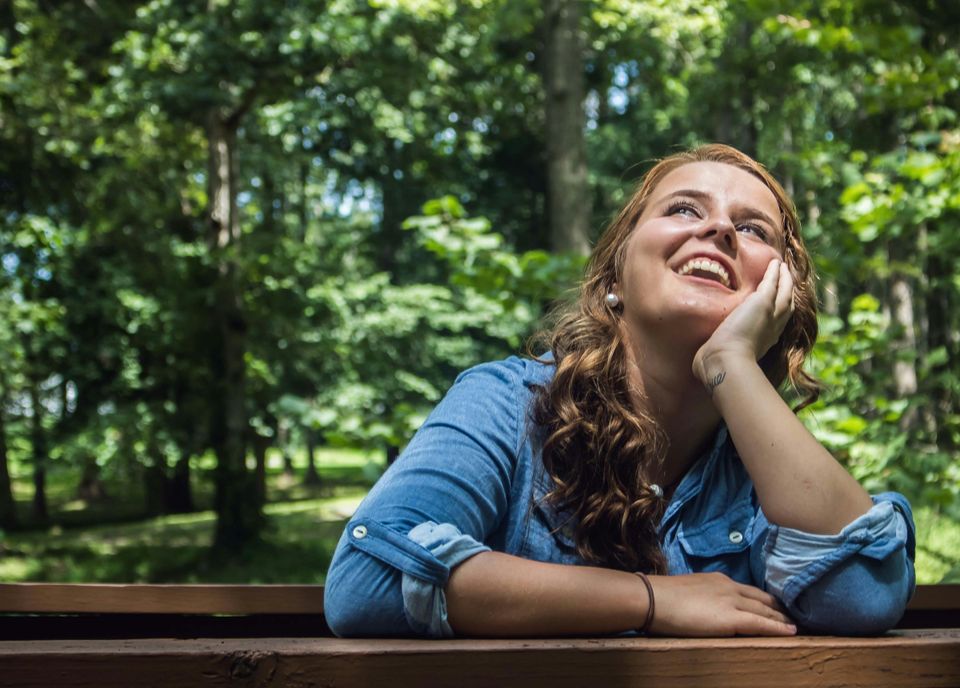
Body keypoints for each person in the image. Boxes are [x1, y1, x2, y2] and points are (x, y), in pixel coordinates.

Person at [323, 144, 916, 638]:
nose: (717, 229)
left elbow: (861, 597)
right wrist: (652, 601)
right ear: (614, 276)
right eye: (684, 209)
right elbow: (366, 580)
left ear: (780, 293)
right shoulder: (506, 402)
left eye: (752, 228)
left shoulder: (768, 472)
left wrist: (731, 362)